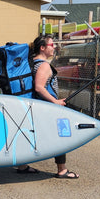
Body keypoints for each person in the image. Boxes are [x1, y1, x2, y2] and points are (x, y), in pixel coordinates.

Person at [24, 34, 78, 179]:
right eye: (51, 45)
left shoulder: (31, 63)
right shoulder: (44, 65)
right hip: (47, 107)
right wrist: (56, 102)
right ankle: (62, 170)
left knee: (29, 134)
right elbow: (39, 87)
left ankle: (22, 165)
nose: (54, 48)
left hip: (35, 105)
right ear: (42, 48)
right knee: (61, 135)